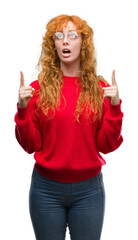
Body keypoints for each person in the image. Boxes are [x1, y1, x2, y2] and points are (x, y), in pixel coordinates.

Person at [14, 14, 123, 240]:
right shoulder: (37, 89)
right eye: (59, 36)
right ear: (52, 44)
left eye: (72, 35)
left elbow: (107, 145)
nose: (65, 41)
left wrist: (114, 108)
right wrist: (23, 109)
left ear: (82, 43)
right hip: (45, 190)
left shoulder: (99, 88)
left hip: (89, 191)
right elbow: (29, 145)